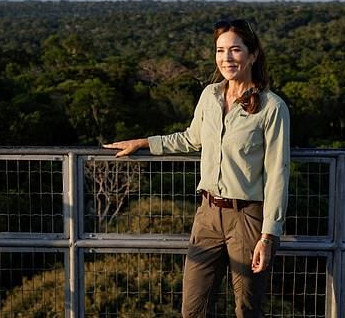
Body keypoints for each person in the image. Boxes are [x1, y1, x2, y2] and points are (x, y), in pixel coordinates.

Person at [103, 19, 290, 318]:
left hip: (248, 217)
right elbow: (192, 139)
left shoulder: (272, 108)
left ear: (253, 54)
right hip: (207, 215)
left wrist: (268, 236)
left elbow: (278, 175)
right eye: (220, 50)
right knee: (193, 309)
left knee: (247, 309)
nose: (226, 58)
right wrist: (144, 142)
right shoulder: (210, 96)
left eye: (235, 50)